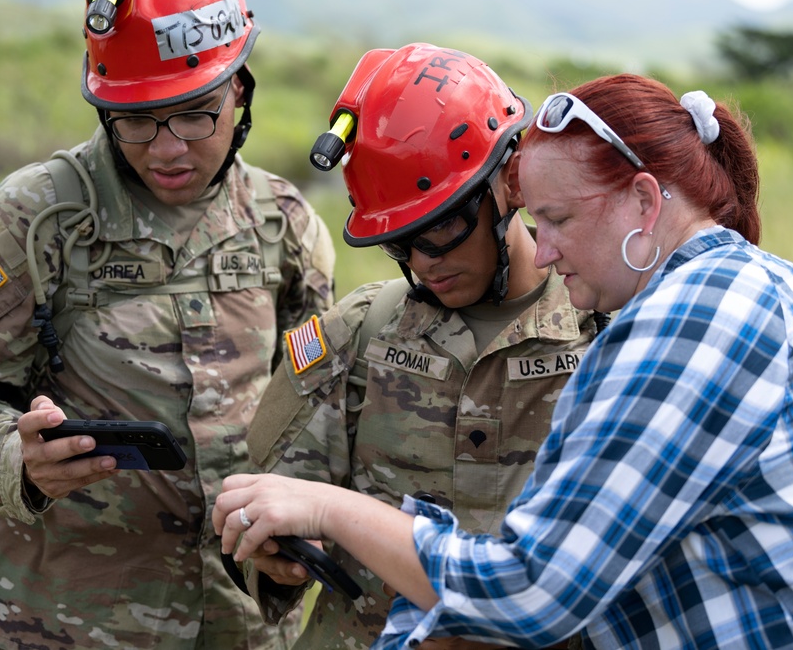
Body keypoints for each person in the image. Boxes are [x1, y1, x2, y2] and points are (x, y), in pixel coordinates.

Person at [214, 72, 793, 649]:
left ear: (645, 201)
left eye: (559, 219)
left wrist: (332, 510)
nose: (549, 246)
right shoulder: (748, 288)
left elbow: (532, 588)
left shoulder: (683, 323)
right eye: (401, 244)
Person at [0, 0, 334, 648]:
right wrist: (17, 460)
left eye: (196, 113)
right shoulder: (33, 219)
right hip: (69, 623)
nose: (167, 148)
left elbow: (315, 408)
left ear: (241, 91)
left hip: (240, 623)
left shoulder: (287, 226)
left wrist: (304, 514)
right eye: (137, 118)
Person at [231, 43, 598, 649]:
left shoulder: (608, 334)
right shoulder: (359, 333)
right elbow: (268, 506)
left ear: (510, 181)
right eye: (401, 243)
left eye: (445, 227)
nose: (426, 262)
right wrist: (270, 555)